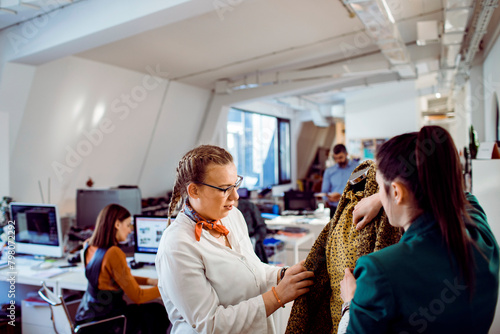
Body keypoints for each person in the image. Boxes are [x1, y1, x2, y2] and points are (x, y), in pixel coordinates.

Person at [337, 126, 499, 333]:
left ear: (396, 191)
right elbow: (461, 195)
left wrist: (351, 303)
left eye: (379, 187)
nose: (378, 194)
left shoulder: (378, 271)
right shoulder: (482, 236)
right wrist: (383, 195)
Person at [155, 145, 314, 333]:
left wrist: (282, 275)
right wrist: (277, 297)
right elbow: (210, 324)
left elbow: (251, 269)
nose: (235, 196)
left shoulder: (232, 216)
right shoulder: (177, 245)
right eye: (224, 189)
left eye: (235, 185)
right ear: (194, 191)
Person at [75, 204, 169, 334]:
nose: (130, 230)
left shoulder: (87, 246)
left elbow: (118, 277)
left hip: (87, 320)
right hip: (108, 323)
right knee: (158, 312)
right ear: (117, 225)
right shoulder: (114, 253)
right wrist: (167, 287)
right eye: (128, 225)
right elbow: (138, 297)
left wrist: (149, 281)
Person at [321, 144, 358, 218]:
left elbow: (362, 189)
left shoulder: (357, 168)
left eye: (340, 157)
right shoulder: (329, 171)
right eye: (336, 158)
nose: (338, 160)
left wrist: (342, 196)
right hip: (335, 209)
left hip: (353, 208)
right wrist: (329, 197)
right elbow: (324, 192)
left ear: (346, 154)